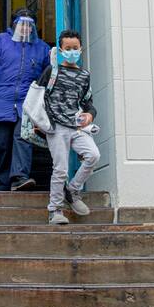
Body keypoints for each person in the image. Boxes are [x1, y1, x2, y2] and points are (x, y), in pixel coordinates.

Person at [0, 8, 51, 191]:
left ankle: (19, 177)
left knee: (23, 137)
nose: (25, 28)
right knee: (2, 144)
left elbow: (49, 74)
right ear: (14, 24)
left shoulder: (42, 48)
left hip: (27, 103)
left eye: (29, 24)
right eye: (22, 23)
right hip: (1, 101)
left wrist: (43, 100)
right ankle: (2, 182)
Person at [39, 29, 100, 226]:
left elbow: (88, 102)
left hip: (76, 126)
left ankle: (72, 191)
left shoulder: (84, 75)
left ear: (81, 49)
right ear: (61, 49)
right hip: (56, 126)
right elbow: (37, 96)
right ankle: (55, 210)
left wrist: (90, 115)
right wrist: (36, 123)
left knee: (93, 155)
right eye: (68, 48)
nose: (72, 51)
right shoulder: (52, 72)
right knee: (61, 169)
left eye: (75, 48)